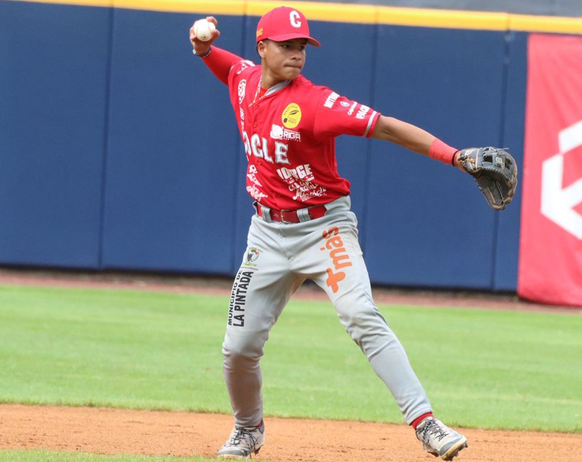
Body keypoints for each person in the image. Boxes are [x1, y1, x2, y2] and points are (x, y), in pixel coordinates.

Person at [189, 6, 476, 460]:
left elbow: (386, 127)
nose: (297, 54)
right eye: (287, 45)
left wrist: (455, 156)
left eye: (302, 46)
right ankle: (247, 429)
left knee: (362, 315)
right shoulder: (243, 80)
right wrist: (202, 45)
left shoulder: (317, 102)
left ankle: (427, 424)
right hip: (266, 233)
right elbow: (220, 62)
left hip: (325, 230)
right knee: (238, 348)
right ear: (262, 47)